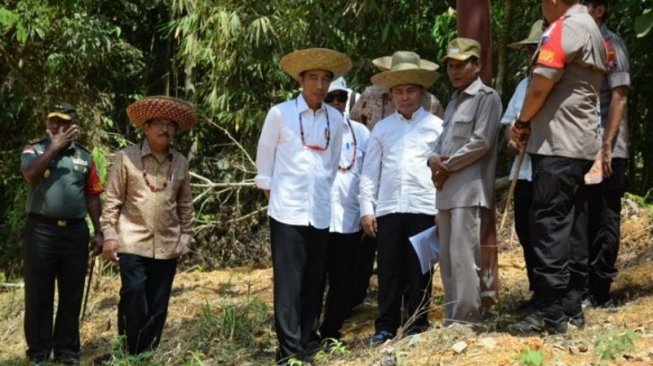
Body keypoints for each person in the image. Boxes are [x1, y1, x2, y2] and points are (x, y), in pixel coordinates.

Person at [508, 0, 606, 334]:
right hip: (579, 144)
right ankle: (571, 307)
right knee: (571, 225)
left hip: (557, 143)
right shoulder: (592, 28)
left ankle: (549, 313)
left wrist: (522, 121)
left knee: (548, 224)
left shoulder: (563, 28)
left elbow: (540, 85)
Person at [255, 47, 351, 364]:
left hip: (320, 211)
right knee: (288, 283)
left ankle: (308, 340)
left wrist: (320, 195)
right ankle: (288, 350)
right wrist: (279, 200)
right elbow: (265, 166)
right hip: (287, 211)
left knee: (314, 279)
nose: (320, 86)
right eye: (313, 78)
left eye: (326, 79)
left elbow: (333, 162)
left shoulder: (335, 119)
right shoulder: (280, 114)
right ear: (301, 80)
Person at [348, 53, 445, 310]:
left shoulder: (437, 127)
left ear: (421, 92)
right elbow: (370, 173)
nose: (405, 97)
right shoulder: (382, 129)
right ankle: (386, 325)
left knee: (419, 270)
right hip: (388, 208)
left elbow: (444, 174)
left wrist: (440, 209)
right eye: (399, 91)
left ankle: (416, 322)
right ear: (390, 95)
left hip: (424, 207)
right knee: (389, 269)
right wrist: (367, 209)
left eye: (410, 91)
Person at [101, 96, 196, 354]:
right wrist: (109, 234)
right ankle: (127, 350)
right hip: (132, 240)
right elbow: (112, 199)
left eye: (171, 125)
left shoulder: (181, 163)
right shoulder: (127, 158)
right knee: (133, 292)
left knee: (158, 304)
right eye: (159, 124)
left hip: (167, 243)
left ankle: (145, 355)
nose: (165, 129)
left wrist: (186, 238)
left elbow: (185, 204)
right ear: (146, 127)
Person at [20, 102, 104, 365]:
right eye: (53, 121)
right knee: (38, 292)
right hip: (40, 231)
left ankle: (67, 350)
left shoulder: (84, 157)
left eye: (63, 122)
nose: (57, 126)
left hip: (75, 233)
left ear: (73, 127)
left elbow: (92, 196)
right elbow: (30, 174)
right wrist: (53, 148)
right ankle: (38, 352)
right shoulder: (34, 149)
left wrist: (99, 230)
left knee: (71, 292)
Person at [428, 38, 502, 325]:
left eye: (461, 65)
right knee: (447, 260)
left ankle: (468, 320)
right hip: (446, 191)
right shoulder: (454, 100)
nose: (455, 71)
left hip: (469, 191)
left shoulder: (487, 98)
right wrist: (432, 158)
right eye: (450, 66)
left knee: (463, 258)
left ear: (477, 65)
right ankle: (452, 319)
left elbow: (481, 142)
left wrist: (446, 165)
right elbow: (441, 140)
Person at [582, 0, 630, 309]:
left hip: (607, 148)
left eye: (583, 4)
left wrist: (607, 145)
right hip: (582, 144)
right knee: (584, 216)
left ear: (599, 10)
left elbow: (619, 95)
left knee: (604, 215)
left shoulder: (612, 45)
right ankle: (583, 286)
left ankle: (600, 290)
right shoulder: (580, 43)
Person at [318, 77, 370, 342]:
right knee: (314, 280)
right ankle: (307, 333)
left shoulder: (361, 133)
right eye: (330, 98)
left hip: (349, 220)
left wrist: (367, 211)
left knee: (343, 281)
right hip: (317, 219)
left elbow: (369, 175)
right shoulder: (310, 129)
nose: (337, 103)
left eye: (341, 97)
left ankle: (331, 331)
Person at [502, 20, 544, 310]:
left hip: (549, 171)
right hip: (524, 172)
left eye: (536, 49)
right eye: (529, 50)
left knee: (549, 233)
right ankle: (537, 291)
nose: (531, 55)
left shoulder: (561, 85)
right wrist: (513, 138)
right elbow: (508, 122)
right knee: (525, 231)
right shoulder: (524, 85)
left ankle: (556, 293)